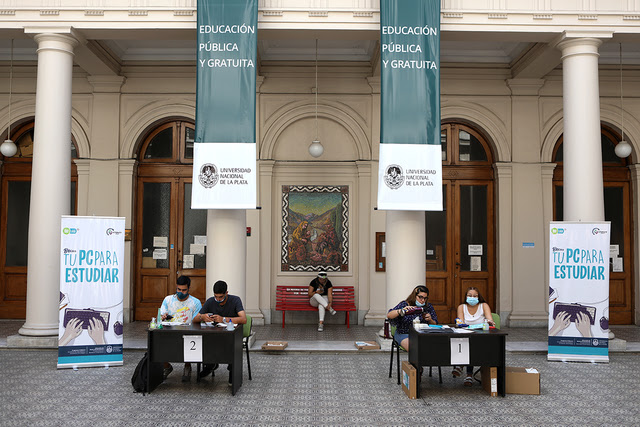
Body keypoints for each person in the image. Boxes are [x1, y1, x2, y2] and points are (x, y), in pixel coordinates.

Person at [193, 280, 247, 383]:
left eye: (221, 297)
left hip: (231, 335)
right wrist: (202, 316)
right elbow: (194, 320)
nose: (218, 299)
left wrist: (223, 319)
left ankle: (232, 371)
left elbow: (243, 319)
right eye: (216, 297)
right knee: (204, 341)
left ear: (226, 293)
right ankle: (209, 365)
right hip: (214, 334)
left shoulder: (235, 300)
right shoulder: (210, 301)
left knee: (231, 346)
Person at [159, 275, 202, 382]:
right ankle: (167, 366)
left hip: (188, 332)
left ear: (189, 289)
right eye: (178, 289)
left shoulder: (195, 302)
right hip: (169, 331)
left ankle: (187, 366)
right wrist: (163, 317)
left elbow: (197, 321)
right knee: (156, 342)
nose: (180, 292)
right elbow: (161, 316)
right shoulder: (168, 300)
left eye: (184, 290)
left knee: (190, 340)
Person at [453, 286, 495, 386]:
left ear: (478, 297)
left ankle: (462, 367)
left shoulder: (483, 305)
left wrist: (489, 322)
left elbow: (490, 320)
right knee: (466, 343)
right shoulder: (461, 307)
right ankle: (468, 374)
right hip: (466, 335)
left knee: (472, 344)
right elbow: (461, 323)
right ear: (466, 297)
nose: (472, 297)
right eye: (470, 295)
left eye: (475, 296)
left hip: (480, 336)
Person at [386, 285, 438, 351]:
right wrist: (401, 311)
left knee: (435, 346)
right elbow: (389, 315)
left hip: (422, 334)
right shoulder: (405, 304)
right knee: (414, 349)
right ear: (414, 296)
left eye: (425, 298)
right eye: (420, 297)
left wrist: (430, 319)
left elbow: (435, 324)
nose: (423, 300)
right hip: (404, 333)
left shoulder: (428, 306)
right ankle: (417, 361)